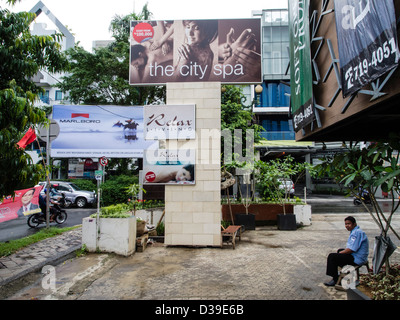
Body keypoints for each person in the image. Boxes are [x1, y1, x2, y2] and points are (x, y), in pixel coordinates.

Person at [324, 216, 369, 286]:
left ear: (354, 224)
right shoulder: (355, 231)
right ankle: (341, 272)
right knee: (339, 251)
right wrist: (341, 252)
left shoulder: (357, 233)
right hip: (356, 255)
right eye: (346, 224)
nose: (347, 226)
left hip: (357, 259)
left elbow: (351, 249)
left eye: (349, 224)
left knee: (332, 256)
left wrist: (341, 253)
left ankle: (335, 279)